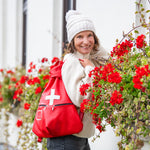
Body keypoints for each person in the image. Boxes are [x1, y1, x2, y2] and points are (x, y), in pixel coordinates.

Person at [47, 10, 108, 150]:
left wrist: (94, 48)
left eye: (90, 35)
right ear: (73, 41)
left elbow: (110, 65)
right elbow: (80, 98)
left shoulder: (87, 59)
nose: (86, 41)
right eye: (80, 37)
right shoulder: (72, 61)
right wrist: (91, 70)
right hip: (66, 138)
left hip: (78, 135)